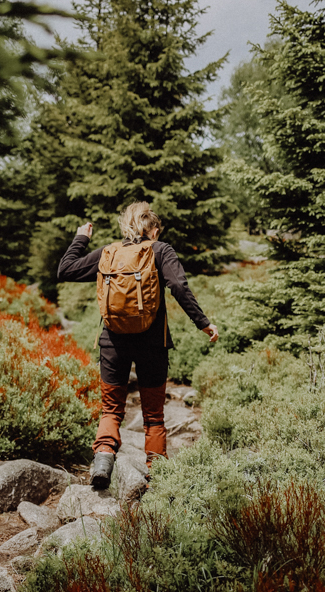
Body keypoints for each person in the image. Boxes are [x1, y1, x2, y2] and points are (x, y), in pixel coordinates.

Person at [57, 201, 219, 488]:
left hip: (112, 342)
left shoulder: (109, 252)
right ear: (153, 230)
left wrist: (81, 237)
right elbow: (179, 287)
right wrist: (203, 323)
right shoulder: (161, 250)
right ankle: (157, 476)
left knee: (110, 410)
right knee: (154, 415)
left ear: (126, 227)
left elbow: (65, 270)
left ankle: (103, 460)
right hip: (153, 343)